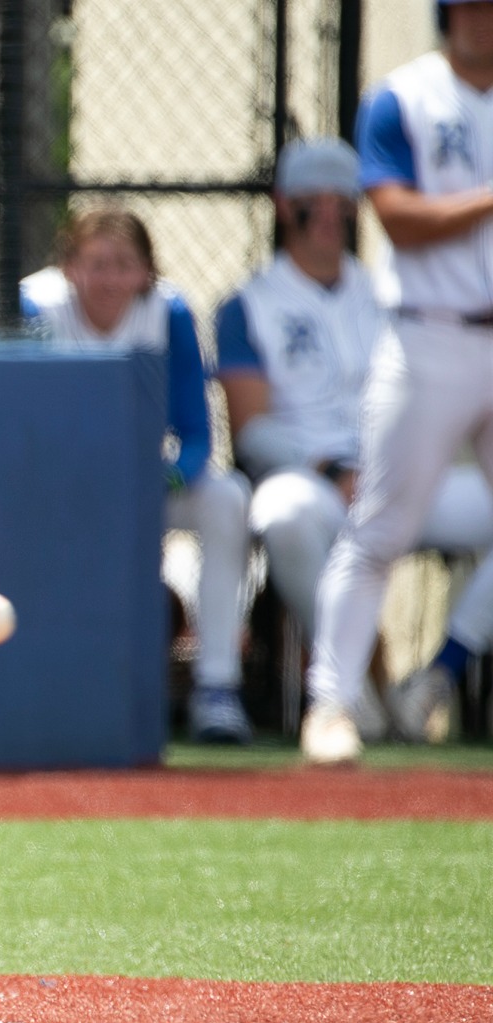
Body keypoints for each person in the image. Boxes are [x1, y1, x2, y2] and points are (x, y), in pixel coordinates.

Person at [218, 137, 493, 744]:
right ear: (283, 205)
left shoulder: (393, 296)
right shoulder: (250, 304)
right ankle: (348, 695)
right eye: (311, 201)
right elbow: (253, 430)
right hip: (315, 477)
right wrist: (329, 468)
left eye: (342, 200)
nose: (329, 214)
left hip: (400, 471)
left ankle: (434, 680)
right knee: (283, 510)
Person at [305, 0, 493, 763]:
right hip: (429, 334)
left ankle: (438, 674)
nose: (481, 21)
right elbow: (398, 217)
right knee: (381, 528)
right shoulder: (403, 97)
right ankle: (331, 704)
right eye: (469, 7)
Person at [21, 208, 256, 743]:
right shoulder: (36, 307)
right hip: (56, 491)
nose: (109, 279)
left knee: (227, 498)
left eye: (124, 265)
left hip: (142, 486)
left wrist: (164, 481)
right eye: (96, 264)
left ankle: (217, 689)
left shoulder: (169, 312)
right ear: (69, 267)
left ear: (146, 272)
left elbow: (195, 435)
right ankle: (47, 687)